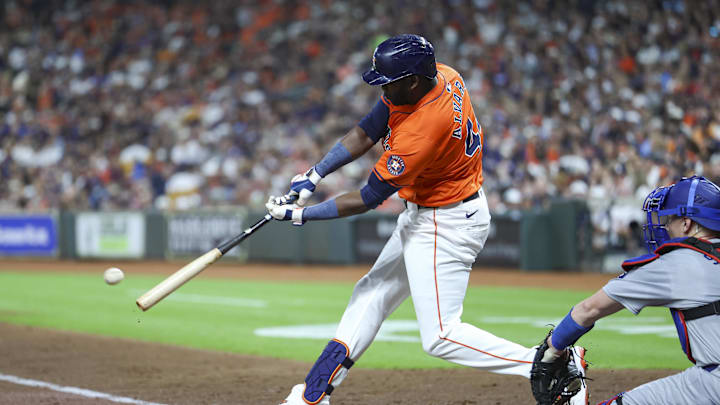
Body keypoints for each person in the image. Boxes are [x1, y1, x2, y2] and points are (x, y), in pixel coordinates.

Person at [266, 34, 587, 405]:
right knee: (370, 294)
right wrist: (315, 174)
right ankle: (313, 393)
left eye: (390, 81)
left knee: (440, 336)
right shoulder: (444, 75)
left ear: (413, 80)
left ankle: (551, 364)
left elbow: (368, 198)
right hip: (436, 211)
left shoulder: (422, 130)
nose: (384, 88)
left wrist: (300, 214)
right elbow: (369, 128)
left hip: (445, 222)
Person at [530, 175, 720, 405]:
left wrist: (552, 349)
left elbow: (589, 309)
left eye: (671, 218)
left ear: (687, 223)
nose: (667, 226)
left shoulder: (677, 262)